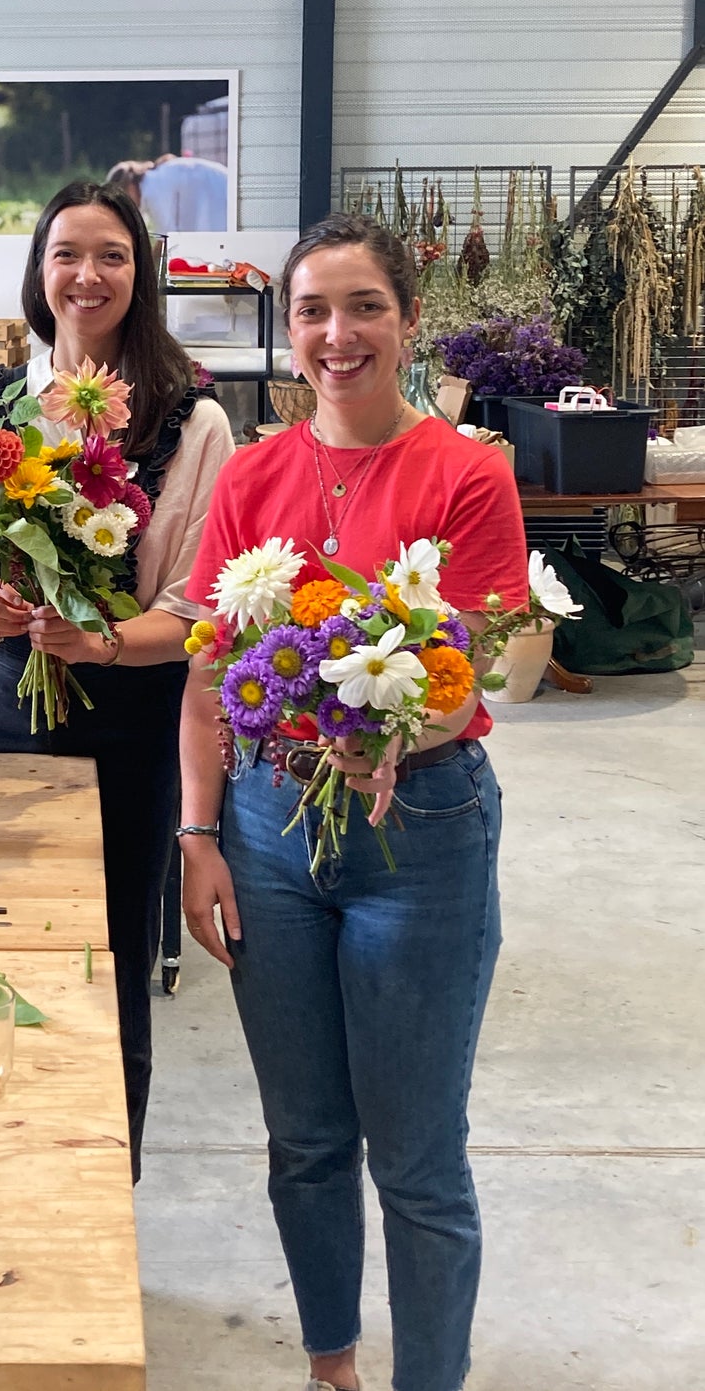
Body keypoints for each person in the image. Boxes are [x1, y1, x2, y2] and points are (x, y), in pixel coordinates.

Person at [178, 212, 528, 1391]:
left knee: (418, 1157)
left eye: (363, 306)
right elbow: (206, 670)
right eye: (313, 309)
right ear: (288, 331)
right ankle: (331, 1368)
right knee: (305, 1143)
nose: (337, 334)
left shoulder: (466, 474)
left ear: (406, 320)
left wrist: (389, 736)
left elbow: (460, 667)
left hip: (416, 826)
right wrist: (195, 832)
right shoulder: (252, 474)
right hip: (266, 832)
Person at [0, 179, 235, 1176]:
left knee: (102, 964)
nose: (86, 274)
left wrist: (97, 642)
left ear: (138, 273)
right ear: (39, 272)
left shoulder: (193, 423)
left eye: (110, 254)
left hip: (126, 722)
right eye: (66, 253)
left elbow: (195, 611)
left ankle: (102, 1186)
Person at [108, 153, 231, 232]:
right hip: (223, 191)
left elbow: (167, 239)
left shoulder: (152, 189)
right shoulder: (155, 178)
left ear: (130, 186)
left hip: (223, 196)